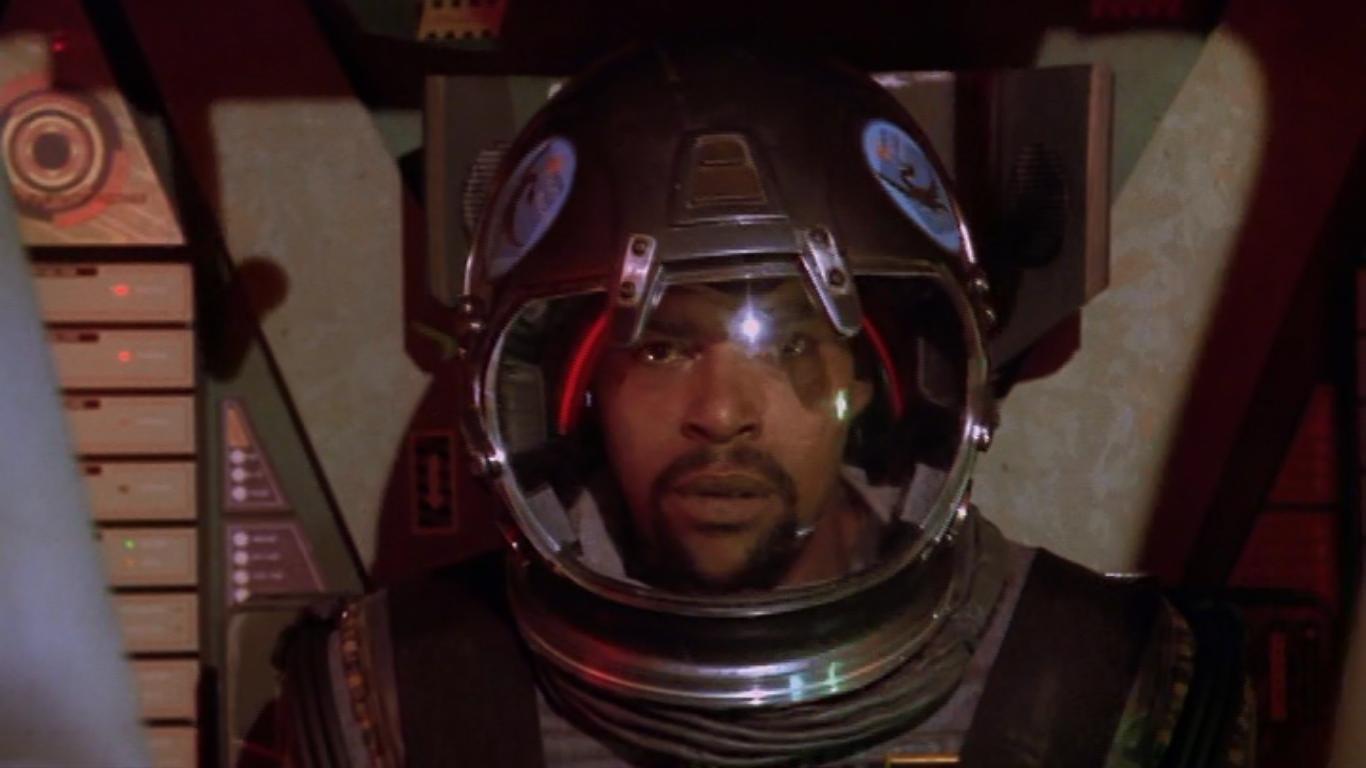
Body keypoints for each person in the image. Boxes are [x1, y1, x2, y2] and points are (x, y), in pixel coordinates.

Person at [274, 42, 1254, 767]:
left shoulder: (1105, 688)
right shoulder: (396, 699)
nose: (721, 413)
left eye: (789, 347)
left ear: (874, 383)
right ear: (580, 393)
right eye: (662, 348)